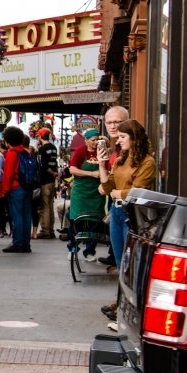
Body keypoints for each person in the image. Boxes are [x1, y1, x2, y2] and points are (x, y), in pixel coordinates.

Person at [98, 119, 157, 271]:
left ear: (134, 138)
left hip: (133, 213)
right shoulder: (119, 160)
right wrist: (101, 164)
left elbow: (139, 190)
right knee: (120, 261)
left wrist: (118, 193)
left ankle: (133, 294)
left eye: (122, 137)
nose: (118, 141)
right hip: (116, 211)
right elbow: (107, 187)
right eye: (118, 137)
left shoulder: (147, 162)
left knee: (131, 262)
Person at [95, 106, 130, 267]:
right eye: (109, 122)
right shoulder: (116, 149)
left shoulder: (132, 151)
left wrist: (113, 189)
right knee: (120, 260)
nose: (113, 126)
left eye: (118, 122)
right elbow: (109, 183)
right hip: (116, 207)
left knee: (127, 262)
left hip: (130, 209)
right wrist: (102, 166)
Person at [67, 129, 106, 261]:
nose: (95, 142)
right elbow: (72, 169)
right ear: (86, 141)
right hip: (81, 191)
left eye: (97, 139)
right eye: (93, 140)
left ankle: (89, 251)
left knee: (95, 221)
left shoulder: (102, 150)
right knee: (76, 220)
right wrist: (91, 174)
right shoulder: (80, 151)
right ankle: (73, 247)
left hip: (96, 191)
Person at [0, 126, 33, 253]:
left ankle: (17, 243)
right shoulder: (26, 152)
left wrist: (5, 191)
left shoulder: (12, 153)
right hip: (27, 187)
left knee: (17, 216)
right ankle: (26, 243)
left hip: (16, 188)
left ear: (7, 140)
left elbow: (8, 175)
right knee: (26, 216)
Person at [35, 128, 59, 239]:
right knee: (50, 205)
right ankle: (51, 230)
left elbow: (42, 165)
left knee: (44, 206)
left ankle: (45, 231)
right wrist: (55, 174)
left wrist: (52, 173)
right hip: (51, 181)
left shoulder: (42, 149)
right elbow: (54, 163)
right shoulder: (53, 148)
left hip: (44, 180)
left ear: (40, 137)